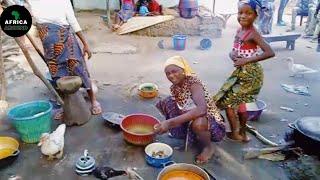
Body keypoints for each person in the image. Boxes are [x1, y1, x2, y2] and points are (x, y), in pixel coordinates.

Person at [26, 0, 102, 117]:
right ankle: (64, 105)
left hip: (65, 38)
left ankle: (93, 100)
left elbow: (73, 21)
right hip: (48, 43)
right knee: (57, 75)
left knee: (79, 69)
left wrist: (85, 44)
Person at [213, 0, 275, 142]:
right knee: (240, 103)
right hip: (241, 72)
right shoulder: (240, 30)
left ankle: (236, 134)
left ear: (256, 16)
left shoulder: (253, 33)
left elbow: (270, 52)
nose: (243, 16)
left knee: (228, 103)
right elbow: (235, 51)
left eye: (248, 13)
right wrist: (232, 55)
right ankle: (243, 134)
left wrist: (245, 61)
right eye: (240, 13)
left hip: (251, 75)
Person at [154, 56, 225, 164]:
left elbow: (202, 110)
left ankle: (208, 147)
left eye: (174, 71)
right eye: (168, 73)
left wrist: (169, 123)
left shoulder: (194, 83)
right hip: (190, 112)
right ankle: (185, 132)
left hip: (209, 120)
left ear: (183, 70)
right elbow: (181, 105)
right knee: (167, 102)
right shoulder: (174, 87)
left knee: (199, 123)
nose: (171, 75)